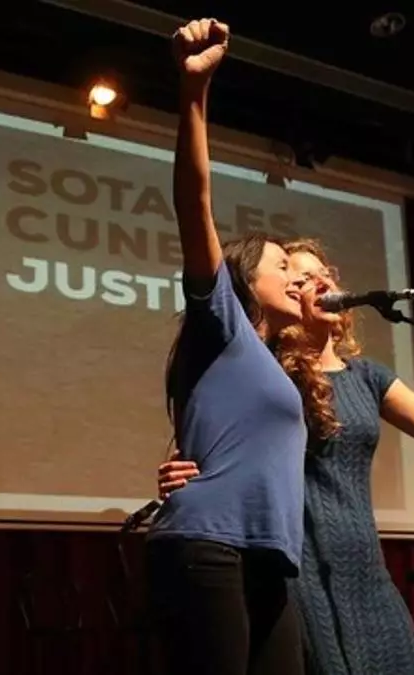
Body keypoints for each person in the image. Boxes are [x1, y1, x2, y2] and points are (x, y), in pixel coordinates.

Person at [157, 238, 414, 674]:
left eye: (325, 275)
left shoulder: (368, 376)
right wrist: (187, 466)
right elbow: (212, 426)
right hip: (297, 571)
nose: (321, 283)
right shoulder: (269, 374)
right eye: (302, 278)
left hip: (366, 570)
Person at [145, 17, 310, 675]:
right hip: (208, 543)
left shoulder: (273, 361)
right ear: (244, 280)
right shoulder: (224, 321)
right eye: (282, 266)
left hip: (266, 557)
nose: (297, 278)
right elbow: (194, 203)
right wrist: (193, 93)